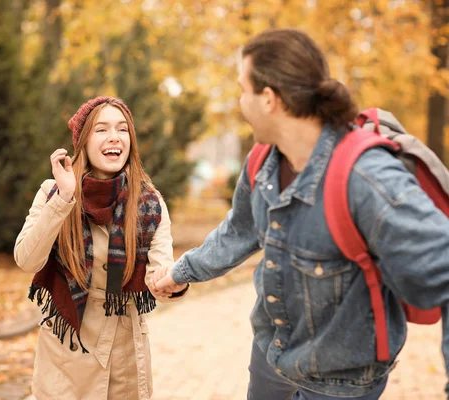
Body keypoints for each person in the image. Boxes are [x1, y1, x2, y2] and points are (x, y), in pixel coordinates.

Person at [154, 29, 449, 399]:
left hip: (341, 382)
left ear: (268, 99)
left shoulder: (367, 178)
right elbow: (239, 230)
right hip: (271, 357)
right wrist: (181, 273)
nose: (239, 101)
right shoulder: (261, 161)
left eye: (243, 89)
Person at [14, 96, 189, 400]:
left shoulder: (149, 202)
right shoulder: (53, 192)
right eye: (102, 130)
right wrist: (64, 199)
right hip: (67, 351)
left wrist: (174, 281)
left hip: (125, 357)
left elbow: (159, 270)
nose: (114, 137)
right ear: (83, 141)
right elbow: (27, 260)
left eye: (122, 130)